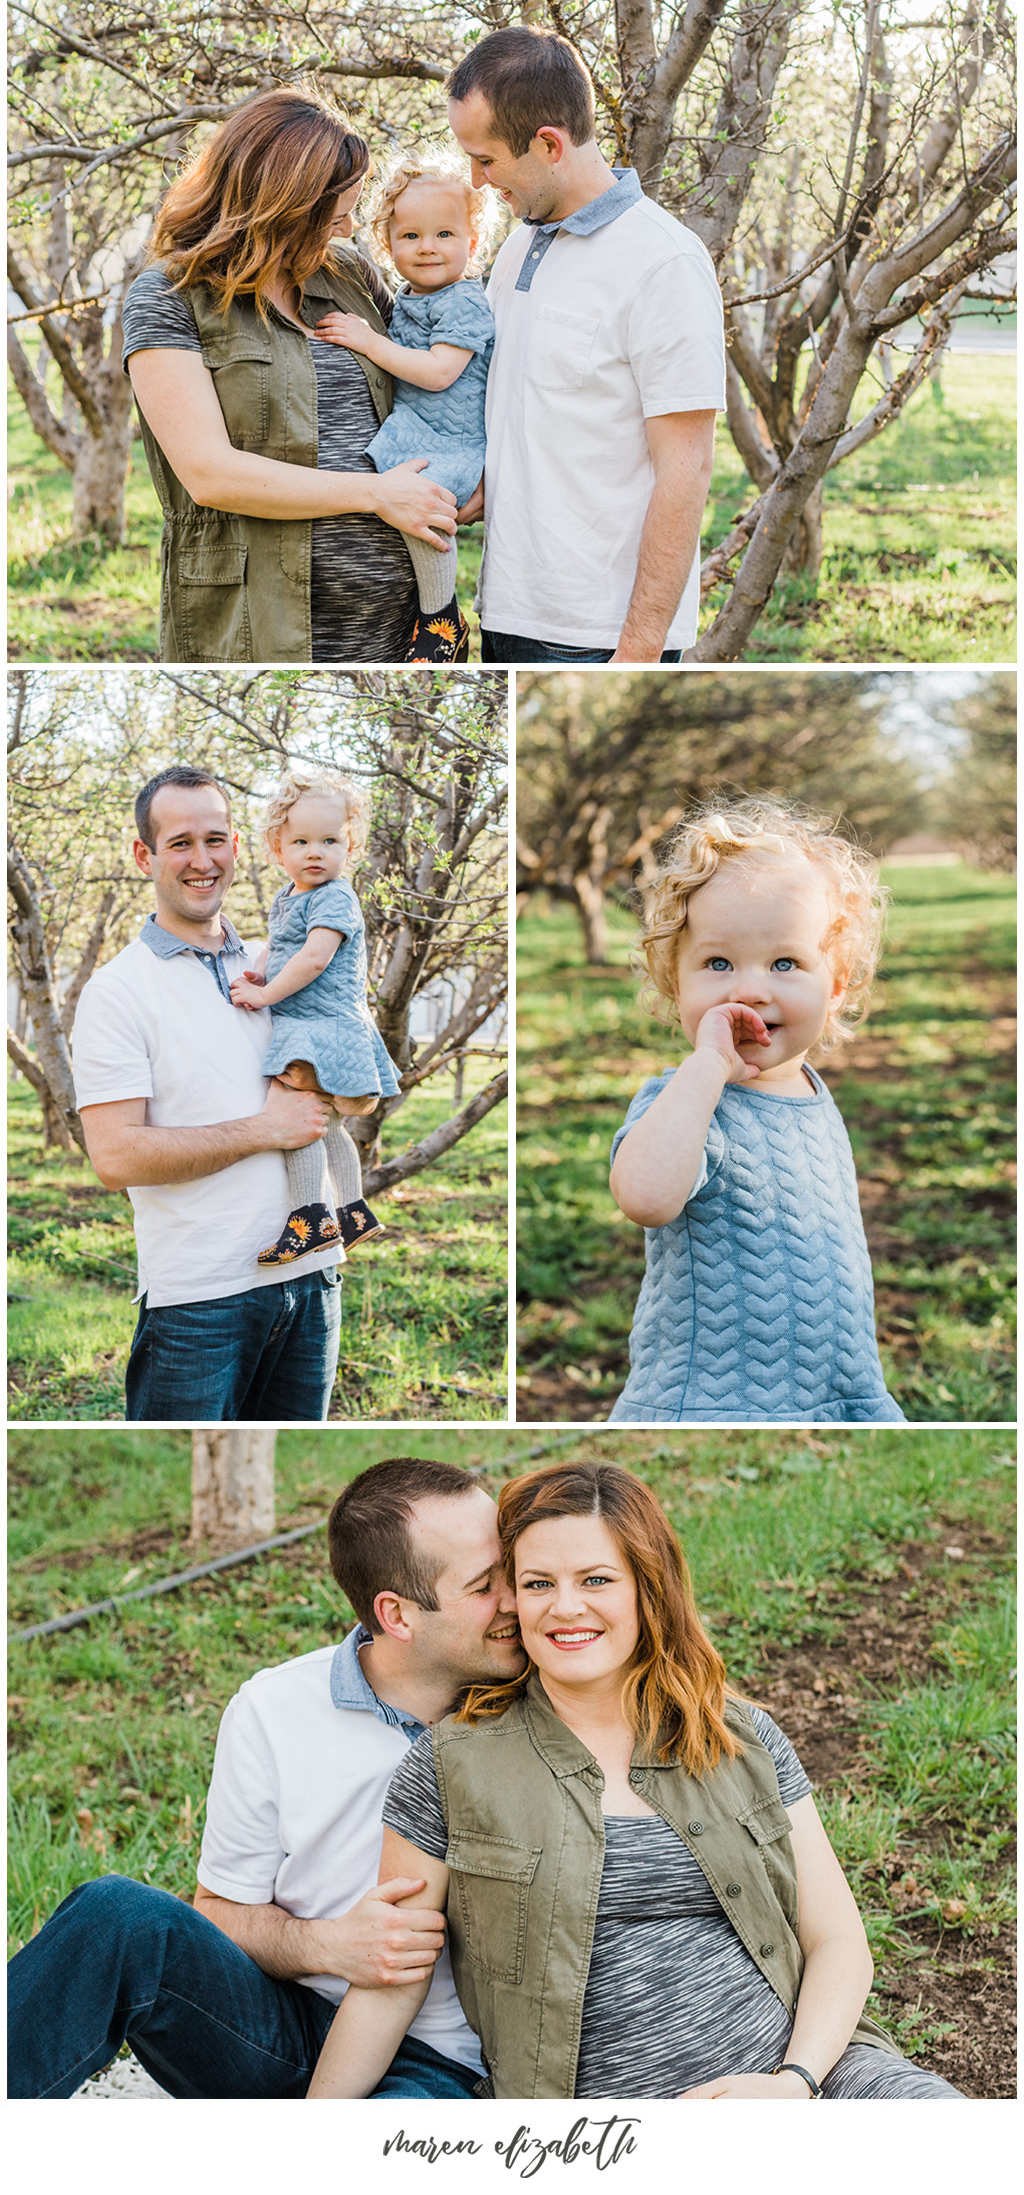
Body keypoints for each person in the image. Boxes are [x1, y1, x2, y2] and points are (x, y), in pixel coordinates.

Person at [308, 1461, 961, 2101]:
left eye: (595, 1578)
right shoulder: (451, 1762)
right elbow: (393, 1980)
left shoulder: (740, 1734)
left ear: (647, 1588)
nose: (566, 1607)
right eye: (537, 1583)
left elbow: (837, 1938)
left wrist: (795, 2082)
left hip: (805, 2075)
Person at [7, 1458, 525, 2100]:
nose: (516, 1600)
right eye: (483, 1586)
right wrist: (329, 1946)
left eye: (510, 1569)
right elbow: (223, 1910)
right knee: (117, 1914)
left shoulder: (542, 1706)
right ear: (396, 1615)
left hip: (435, 2061)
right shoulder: (274, 1708)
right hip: (275, 2028)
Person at [121, 87, 458, 664]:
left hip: (406, 631)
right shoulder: (168, 297)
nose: (350, 229)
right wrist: (377, 495)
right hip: (258, 623)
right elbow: (209, 474)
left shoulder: (349, 274)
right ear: (282, 206)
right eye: (337, 213)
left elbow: (426, 384)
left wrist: (461, 476)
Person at [608, 800, 906, 1423]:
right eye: (718, 964)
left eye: (785, 963)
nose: (750, 987)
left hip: (836, 1389)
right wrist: (708, 1069)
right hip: (716, 1400)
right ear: (675, 983)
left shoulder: (813, 1094)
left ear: (837, 986)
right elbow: (643, 1196)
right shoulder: (687, 1099)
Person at [446, 27, 726, 666]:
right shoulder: (521, 243)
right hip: (509, 612)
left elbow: (686, 470)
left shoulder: (664, 262)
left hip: (601, 638)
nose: (476, 180)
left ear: (548, 144)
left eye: (485, 160)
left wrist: (638, 652)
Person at [72, 765, 343, 1422]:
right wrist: (265, 1128)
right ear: (145, 855)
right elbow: (115, 1157)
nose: (203, 860)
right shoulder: (118, 991)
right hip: (201, 1302)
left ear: (239, 847)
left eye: (216, 839)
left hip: (313, 1282)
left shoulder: (275, 966)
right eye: (181, 842)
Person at [315, 149, 497, 663]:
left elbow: (440, 372)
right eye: (410, 236)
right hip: (421, 429)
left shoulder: (463, 300)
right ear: (387, 243)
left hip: (451, 439)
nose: (428, 248)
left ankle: (441, 616)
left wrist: (369, 342)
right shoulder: (408, 295)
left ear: (472, 242)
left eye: (445, 235)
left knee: (425, 513)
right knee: (411, 507)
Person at [228, 767, 399, 1266]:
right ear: (277, 850)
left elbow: (313, 958)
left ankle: (309, 1222)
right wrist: (260, 975)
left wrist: (264, 998)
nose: (315, 851)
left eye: (330, 840)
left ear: (350, 846)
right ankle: (352, 1211)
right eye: (301, 841)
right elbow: (282, 949)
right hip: (314, 1025)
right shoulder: (290, 896)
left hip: (322, 1026)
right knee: (325, 1126)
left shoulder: (335, 895)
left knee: (295, 1119)